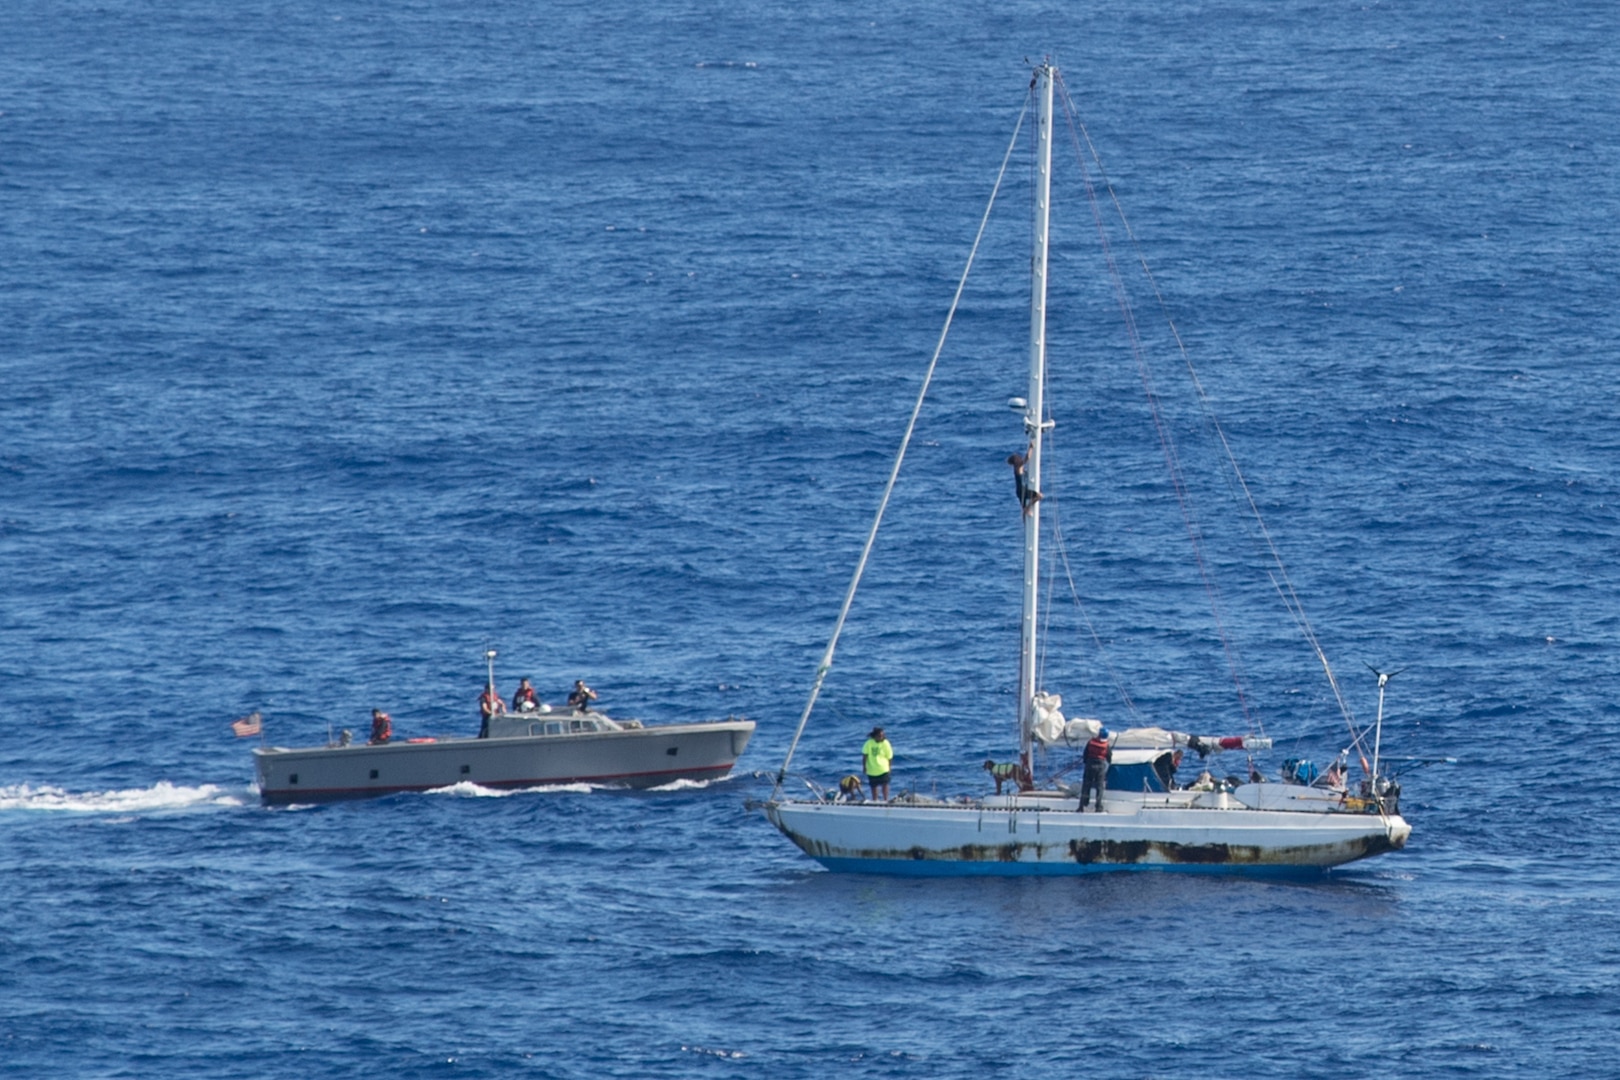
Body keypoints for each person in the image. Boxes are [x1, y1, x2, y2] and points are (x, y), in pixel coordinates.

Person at [1079, 727, 1111, 811]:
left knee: (1086, 785)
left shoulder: (1091, 742)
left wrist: (1086, 762)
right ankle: (1098, 806)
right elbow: (1109, 757)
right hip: (1100, 766)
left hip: (1090, 764)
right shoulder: (1106, 745)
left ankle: (1082, 805)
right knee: (1099, 787)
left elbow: (1085, 754)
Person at [1006, 446, 1043, 515]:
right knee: (1039, 496)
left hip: (1019, 491)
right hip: (1022, 490)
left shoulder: (1019, 469)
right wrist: (1031, 448)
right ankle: (1028, 508)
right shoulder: (1018, 468)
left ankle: (1026, 510)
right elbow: (1027, 458)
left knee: (1024, 514)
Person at [862, 726, 893, 802]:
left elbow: (889, 757)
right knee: (873, 786)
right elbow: (865, 756)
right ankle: (875, 801)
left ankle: (885, 800)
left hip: (883, 769)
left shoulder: (886, 743)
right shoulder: (868, 743)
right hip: (872, 769)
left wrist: (889, 767)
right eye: (879, 736)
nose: (881, 737)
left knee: (885, 784)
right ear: (875, 736)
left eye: (883, 736)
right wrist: (864, 767)